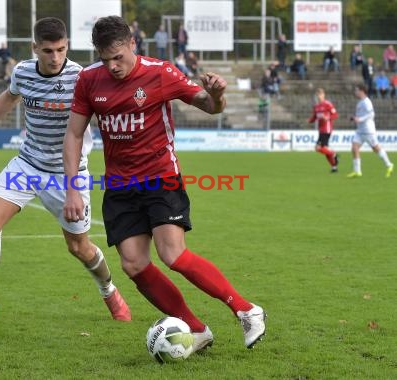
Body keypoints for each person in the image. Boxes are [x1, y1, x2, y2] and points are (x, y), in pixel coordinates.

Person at [63, 15, 266, 352]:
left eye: (118, 57)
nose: (112, 66)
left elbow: (209, 107)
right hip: (120, 185)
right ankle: (198, 329)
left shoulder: (160, 72)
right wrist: (72, 188)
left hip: (160, 176)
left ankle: (246, 309)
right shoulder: (88, 80)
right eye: (105, 59)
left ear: (132, 44)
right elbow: (73, 133)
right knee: (133, 263)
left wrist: (217, 96)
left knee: (172, 254)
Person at [0, 17, 131, 323]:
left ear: (67, 46)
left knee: (79, 247)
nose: (55, 57)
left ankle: (109, 291)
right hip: (28, 163)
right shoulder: (22, 72)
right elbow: (9, 96)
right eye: (48, 50)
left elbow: (107, 112)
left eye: (61, 49)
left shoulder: (82, 77)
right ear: (35, 48)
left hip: (67, 174)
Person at [347, 84, 393, 179]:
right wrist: (354, 118)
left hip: (368, 131)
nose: (355, 92)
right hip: (360, 131)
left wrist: (360, 119)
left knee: (376, 148)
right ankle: (357, 171)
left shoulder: (367, 102)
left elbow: (371, 114)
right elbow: (360, 116)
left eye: (357, 90)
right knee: (354, 148)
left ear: (362, 91)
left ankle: (389, 165)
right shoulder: (360, 102)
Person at [307, 88, 339, 173]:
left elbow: (335, 115)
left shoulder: (328, 104)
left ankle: (333, 153)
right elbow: (314, 117)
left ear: (324, 95)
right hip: (321, 130)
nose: (319, 96)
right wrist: (309, 120)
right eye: (317, 95)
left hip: (327, 129)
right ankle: (334, 167)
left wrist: (328, 118)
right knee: (325, 149)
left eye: (320, 94)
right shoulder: (316, 107)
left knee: (318, 148)